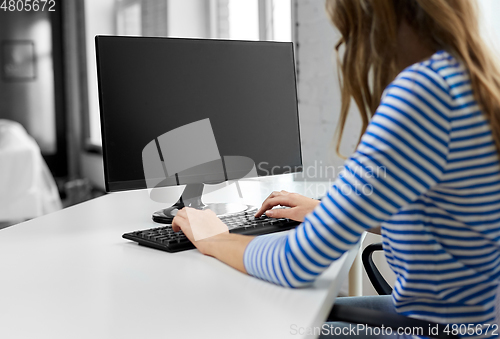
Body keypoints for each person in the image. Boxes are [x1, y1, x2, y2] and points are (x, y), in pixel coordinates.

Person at [172, 0, 500, 337]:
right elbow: (442, 223)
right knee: (308, 312)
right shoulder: (470, 80)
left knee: (267, 324)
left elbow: (294, 263)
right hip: (465, 320)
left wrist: (214, 237)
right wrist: (328, 212)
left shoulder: (422, 93)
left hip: (444, 330)